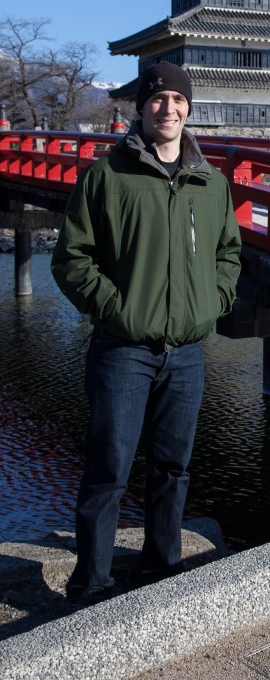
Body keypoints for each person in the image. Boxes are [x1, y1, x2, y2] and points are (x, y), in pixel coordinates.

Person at [52, 62, 241, 604]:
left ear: (189, 108)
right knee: (109, 466)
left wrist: (214, 301)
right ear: (140, 106)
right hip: (123, 348)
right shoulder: (107, 176)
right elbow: (72, 259)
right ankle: (91, 581)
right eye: (158, 100)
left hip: (186, 350)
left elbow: (229, 254)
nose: (169, 109)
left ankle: (161, 568)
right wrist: (117, 310)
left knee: (173, 466)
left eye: (178, 101)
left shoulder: (209, 181)